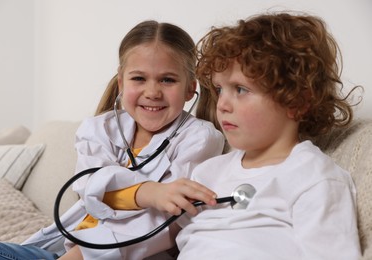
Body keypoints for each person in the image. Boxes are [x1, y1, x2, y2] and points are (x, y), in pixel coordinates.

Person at [0, 20, 224, 259]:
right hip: (63, 249)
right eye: (139, 78)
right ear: (121, 82)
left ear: (190, 88)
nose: (152, 92)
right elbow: (89, 187)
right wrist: (150, 193)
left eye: (167, 79)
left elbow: (165, 222)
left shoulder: (199, 138)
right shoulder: (100, 129)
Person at [136, 12, 362, 259]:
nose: (221, 104)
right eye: (220, 89)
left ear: (296, 101)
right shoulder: (207, 173)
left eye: (241, 89)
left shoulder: (314, 178)